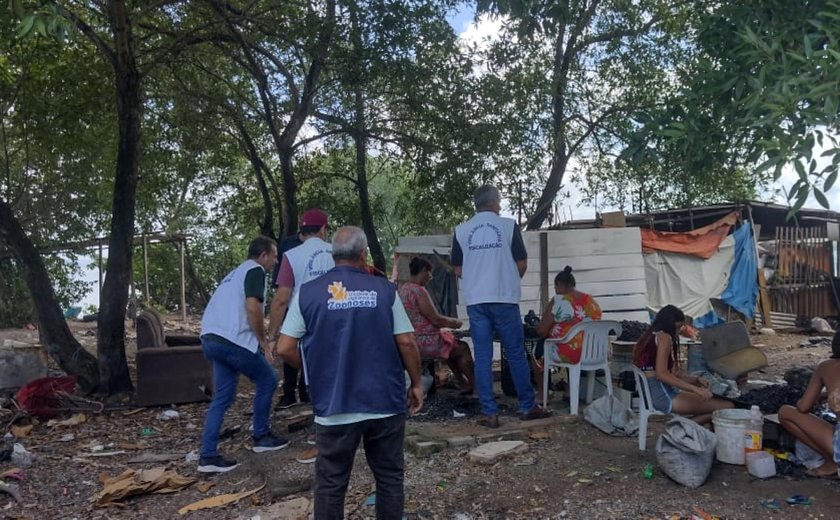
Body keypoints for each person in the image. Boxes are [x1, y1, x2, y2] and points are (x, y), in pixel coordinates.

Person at [277, 226, 423, 519]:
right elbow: (406, 340)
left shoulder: (309, 292)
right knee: (389, 477)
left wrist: (314, 369)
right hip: (383, 403)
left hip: (334, 405)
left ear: (334, 256)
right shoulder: (384, 290)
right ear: (363, 254)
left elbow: (284, 347)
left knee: (331, 484)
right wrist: (417, 383)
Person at [451, 185, 550, 428]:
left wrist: (477, 280)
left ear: (477, 203)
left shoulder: (462, 230)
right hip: (504, 299)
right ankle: (527, 407)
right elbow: (522, 263)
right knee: (515, 352)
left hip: (476, 301)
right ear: (494, 202)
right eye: (499, 201)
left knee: (483, 355)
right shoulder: (508, 226)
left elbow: (457, 269)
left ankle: (490, 413)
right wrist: (506, 279)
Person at [197, 236, 289, 473]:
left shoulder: (234, 274)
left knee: (223, 397)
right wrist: (263, 340)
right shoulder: (255, 271)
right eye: (274, 255)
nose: (276, 260)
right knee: (268, 380)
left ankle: (208, 456)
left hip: (211, 337)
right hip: (232, 339)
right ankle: (261, 436)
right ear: (263, 256)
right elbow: (253, 307)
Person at [268, 209, 334, 409]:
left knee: (298, 352)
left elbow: (281, 299)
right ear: (323, 229)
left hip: (303, 314)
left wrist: (271, 336)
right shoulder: (337, 251)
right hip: (336, 312)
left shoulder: (291, 255)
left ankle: (306, 392)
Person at [633, 305, 733, 424]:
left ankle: (683, 429)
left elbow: (666, 375)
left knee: (714, 405)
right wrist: (695, 389)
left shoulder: (649, 335)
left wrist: (695, 380)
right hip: (662, 397)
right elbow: (662, 375)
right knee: (727, 406)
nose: (678, 332)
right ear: (669, 325)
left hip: (652, 394)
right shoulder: (664, 337)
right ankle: (678, 429)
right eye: (677, 327)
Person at [399, 257, 476, 395]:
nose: (430, 277)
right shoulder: (419, 291)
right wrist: (455, 322)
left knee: (451, 347)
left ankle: (464, 384)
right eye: (429, 273)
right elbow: (436, 320)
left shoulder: (403, 289)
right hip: (424, 342)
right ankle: (477, 387)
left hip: (411, 338)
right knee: (462, 348)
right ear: (423, 271)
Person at [532, 266, 602, 403]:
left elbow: (542, 331)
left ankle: (543, 393)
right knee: (573, 341)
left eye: (555, 286)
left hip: (570, 352)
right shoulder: (591, 301)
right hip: (594, 351)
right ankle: (570, 392)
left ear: (559, 284)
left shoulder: (559, 300)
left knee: (537, 352)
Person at [778, 333, 840, 477]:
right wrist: (825, 395)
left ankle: (831, 461)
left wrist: (816, 396)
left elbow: (804, 407)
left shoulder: (826, 367)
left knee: (785, 412)